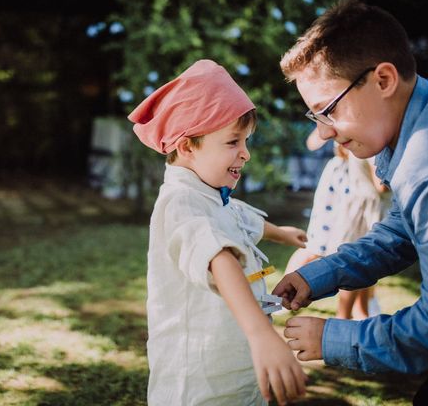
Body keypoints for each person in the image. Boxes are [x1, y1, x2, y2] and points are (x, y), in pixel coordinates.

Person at [271, 0, 428, 404]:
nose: (326, 132)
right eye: (317, 118)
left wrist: (334, 337)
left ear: (383, 80)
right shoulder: (423, 119)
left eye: (328, 110)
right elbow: (402, 232)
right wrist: (321, 274)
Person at [128, 59, 308, 406]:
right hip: (198, 383)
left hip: (235, 369)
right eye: (232, 142)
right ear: (187, 146)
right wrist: (260, 334)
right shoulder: (180, 202)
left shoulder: (211, 197)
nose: (246, 153)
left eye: (246, 141)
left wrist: (281, 233)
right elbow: (217, 256)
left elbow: (238, 218)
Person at [283, 128, 389, 320]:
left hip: (341, 192)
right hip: (353, 200)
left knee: (349, 254)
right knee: (352, 256)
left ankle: (361, 310)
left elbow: (313, 142)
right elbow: (380, 186)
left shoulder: (348, 128)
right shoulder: (370, 136)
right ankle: (349, 313)